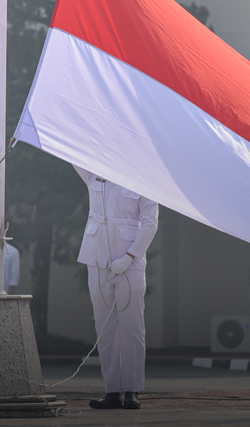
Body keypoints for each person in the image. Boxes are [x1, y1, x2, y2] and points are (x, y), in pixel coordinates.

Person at [74, 166, 158, 411]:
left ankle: (132, 390)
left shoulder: (145, 179)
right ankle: (112, 390)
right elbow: (72, 149)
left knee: (132, 328)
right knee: (105, 329)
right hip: (97, 259)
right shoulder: (94, 172)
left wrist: (130, 257)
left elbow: (150, 225)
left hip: (129, 262)